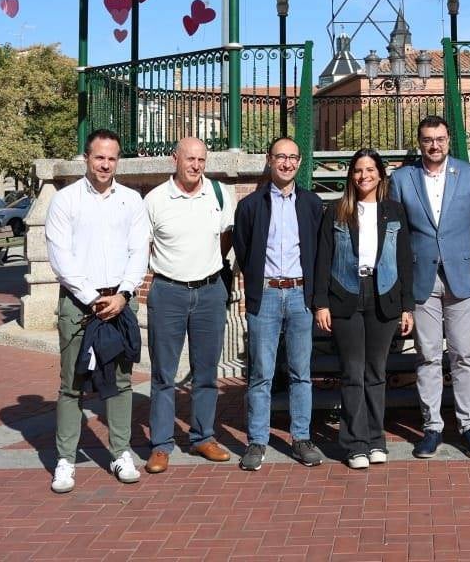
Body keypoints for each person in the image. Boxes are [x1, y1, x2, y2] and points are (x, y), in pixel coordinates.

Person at [44, 128, 151, 494]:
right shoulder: (66, 200)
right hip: (78, 303)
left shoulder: (132, 200)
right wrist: (92, 297)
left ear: (117, 160)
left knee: (120, 382)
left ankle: (120, 452)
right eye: (99, 157)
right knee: (71, 384)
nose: (105, 164)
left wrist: (122, 295)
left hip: (119, 302)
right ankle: (65, 460)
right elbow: (60, 257)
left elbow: (140, 251)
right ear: (87, 158)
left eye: (111, 158)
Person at [393, 115, 470, 460]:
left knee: (464, 355)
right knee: (428, 356)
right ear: (419, 143)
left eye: (440, 139)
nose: (434, 145)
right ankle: (432, 427)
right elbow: (397, 236)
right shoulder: (402, 179)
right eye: (427, 139)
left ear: (449, 140)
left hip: (462, 279)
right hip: (422, 280)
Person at [314, 149, 415, 469]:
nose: (364, 176)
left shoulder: (394, 211)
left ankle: (375, 439)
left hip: (383, 295)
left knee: (376, 373)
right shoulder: (337, 211)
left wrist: (407, 307)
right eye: (358, 170)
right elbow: (323, 260)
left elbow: (404, 261)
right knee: (352, 373)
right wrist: (321, 303)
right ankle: (355, 443)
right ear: (351, 176)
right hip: (346, 296)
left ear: (380, 174)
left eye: (370, 169)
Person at [233, 136, 325, 471]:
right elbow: (243, 251)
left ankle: (300, 437)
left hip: (301, 295)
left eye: (292, 158)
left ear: (300, 163)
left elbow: (319, 252)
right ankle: (257, 441)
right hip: (267, 294)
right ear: (269, 160)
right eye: (280, 157)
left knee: (302, 372)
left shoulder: (312, 204)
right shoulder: (251, 206)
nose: (286, 163)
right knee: (261, 373)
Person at [143, 136, 234, 473]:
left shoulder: (220, 194)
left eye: (201, 160)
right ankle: (161, 444)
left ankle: (203, 437)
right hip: (168, 292)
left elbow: (225, 236)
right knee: (164, 374)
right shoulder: (154, 200)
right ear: (175, 160)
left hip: (210, 291)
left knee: (207, 373)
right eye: (190, 159)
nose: (196, 166)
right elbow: (144, 245)